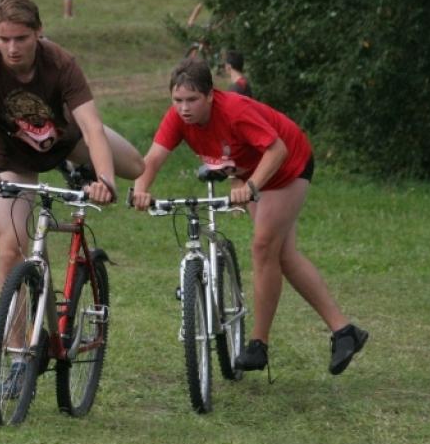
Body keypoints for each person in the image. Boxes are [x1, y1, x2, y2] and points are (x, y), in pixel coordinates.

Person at [131, 57, 368, 375]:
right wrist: (141, 189)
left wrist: (252, 185)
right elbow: (154, 158)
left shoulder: (235, 111)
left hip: (287, 166)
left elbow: (277, 150)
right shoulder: (177, 119)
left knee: (262, 246)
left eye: (192, 100)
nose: (184, 108)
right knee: (282, 254)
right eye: (177, 100)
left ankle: (258, 343)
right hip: (248, 171)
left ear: (210, 96)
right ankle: (345, 331)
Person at [0, 0, 144, 304]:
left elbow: (91, 126)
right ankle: (16, 347)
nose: (12, 48)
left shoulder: (59, 62)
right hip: (12, 161)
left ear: (39, 30)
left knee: (135, 166)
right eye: (3, 39)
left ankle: (78, 167)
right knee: (10, 250)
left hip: (66, 143)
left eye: (21, 38)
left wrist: (105, 180)